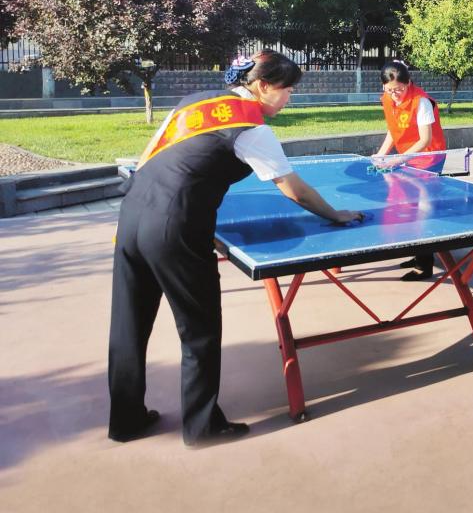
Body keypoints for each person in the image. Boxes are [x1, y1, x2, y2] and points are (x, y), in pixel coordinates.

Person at [108, 51, 365, 447]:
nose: (290, 98)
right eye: (287, 90)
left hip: (132, 216)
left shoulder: (195, 101)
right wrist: (336, 214)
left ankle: (126, 421)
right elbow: (293, 189)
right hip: (175, 227)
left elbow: (156, 157)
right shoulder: (251, 125)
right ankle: (202, 427)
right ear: (262, 86)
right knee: (199, 330)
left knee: (129, 323)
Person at [374, 60, 447, 280]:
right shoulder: (388, 98)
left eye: (399, 89)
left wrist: (397, 159)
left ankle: (425, 265)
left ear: (408, 83)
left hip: (428, 159)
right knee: (406, 205)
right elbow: (393, 129)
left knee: (421, 210)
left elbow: (425, 140)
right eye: (389, 90)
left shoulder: (421, 102)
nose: (394, 94)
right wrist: (381, 154)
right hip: (407, 158)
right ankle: (418, 255)